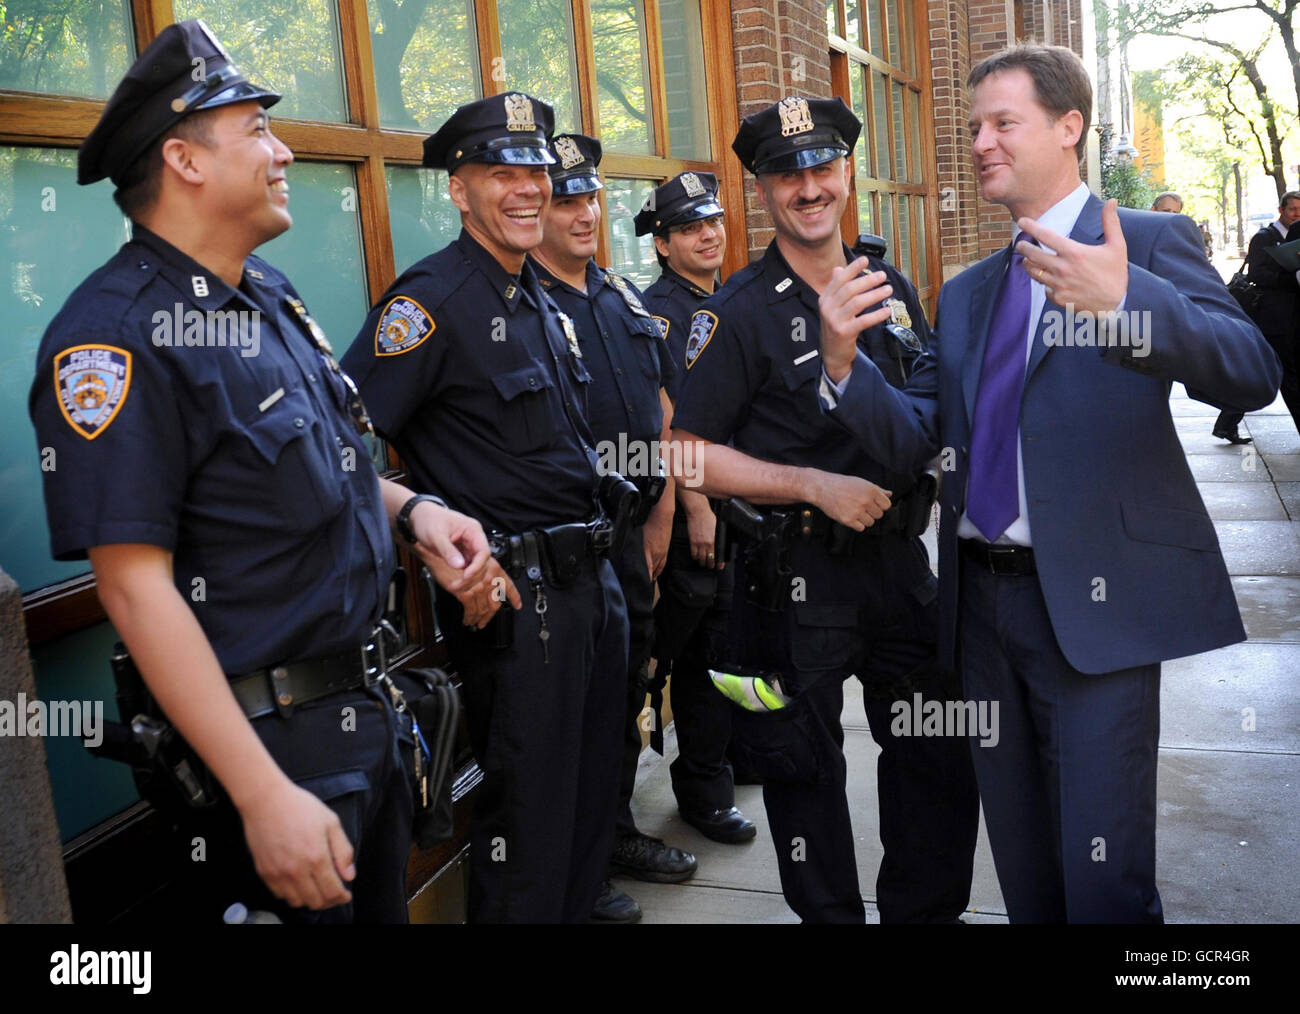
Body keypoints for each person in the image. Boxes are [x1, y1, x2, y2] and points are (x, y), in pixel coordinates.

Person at [28, 19, 492, 924]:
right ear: (185, 160)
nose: (283, 152)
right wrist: (261, 796)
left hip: (361, 716)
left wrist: (414, 513)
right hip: (267, 752)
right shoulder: (112, 338)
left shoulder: (263, 295)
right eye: (257, 131)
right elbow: (135, 591)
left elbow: (325, 463)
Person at [819, 44, 1280, 922]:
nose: (982, 142)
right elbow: (915, 435)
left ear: (1069, 128)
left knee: (1102, 881)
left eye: (1004, 123)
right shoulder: (971, 293)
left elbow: (1250, 371)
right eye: (974, 127)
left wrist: (1126, 305)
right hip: (981, 617)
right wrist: (843, 367)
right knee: (1027, 870)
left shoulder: (1139, 242)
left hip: (1092, 616)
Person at [670, 96, 979, 924]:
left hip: (896, 565)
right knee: (803, 776)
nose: (808, 186)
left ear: (846, 174)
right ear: (762, 192)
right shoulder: (734, 312)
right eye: (785, 174)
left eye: (822, 167)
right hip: (790, 576)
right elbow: (684, 452)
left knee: (936, 752)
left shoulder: (888, 285)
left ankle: (922, 914)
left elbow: (920, 415)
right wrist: (810, 485)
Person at [340, 94, 630, 924]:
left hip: (590, 584)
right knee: (530, 826)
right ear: (459, 191)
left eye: (535, 170)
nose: (527, 188)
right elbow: (341, 445)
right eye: (501, 172)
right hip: (515, 602)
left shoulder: (535, 291)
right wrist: (420, 518)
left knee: (584, 815)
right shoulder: (430, 302)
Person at [529, 133, 696, 923]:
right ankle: (578, 870)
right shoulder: (525, 303)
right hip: (565, 547)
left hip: (632, 534)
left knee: (628, 688)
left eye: (591, 197)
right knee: (574, 717)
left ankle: (615, 833)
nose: (584, 212)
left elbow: (660, 412)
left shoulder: (623, 297)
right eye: (567, 199)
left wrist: (662, 511)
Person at [635, 172, 757, 845]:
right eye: (688, 228)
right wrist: (700, 506)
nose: (707, 234)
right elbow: (667, 416)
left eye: (711, 222)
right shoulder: (661, 313)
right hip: (688, 518)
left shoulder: (728, 298)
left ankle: (720, 767)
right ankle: (703, 796)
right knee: (684, 655)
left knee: (728, 649)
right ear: (661, 245)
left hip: (737, 506)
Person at [1147, 196, 1252, 443]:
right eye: (1165, 210)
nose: (1169, 215)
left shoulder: (1181, 240)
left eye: (1174, 212)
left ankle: (1230, 416)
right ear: (1153, 209)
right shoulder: (1139, 235)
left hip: (1176, 319)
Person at [1243, 191, 1300, 437]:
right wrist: (1287, 278)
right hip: (1276, 317)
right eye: (1292, 209)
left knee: (1268, 371)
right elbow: (1256, 274)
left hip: (1294, 316)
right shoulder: (1264, 237)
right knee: (1288, 375)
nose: (1297, 214)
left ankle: (1228, 419)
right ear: (1281, 210)